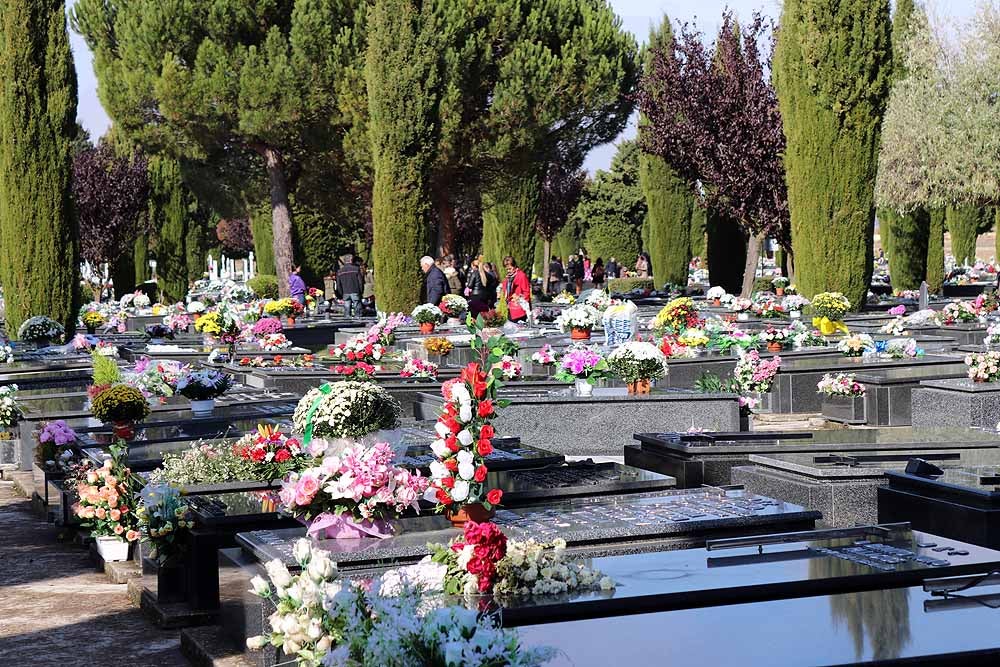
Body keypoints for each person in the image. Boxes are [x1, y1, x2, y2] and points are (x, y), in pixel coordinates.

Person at [500, 256, 531, 322]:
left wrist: (519, 298)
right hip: (511, 307)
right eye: (507, 269)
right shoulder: (509, 277)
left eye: (510, 268)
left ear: (514, 266)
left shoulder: (521, 275)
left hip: (520, 308)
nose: (508, 271)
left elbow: (526, 292)